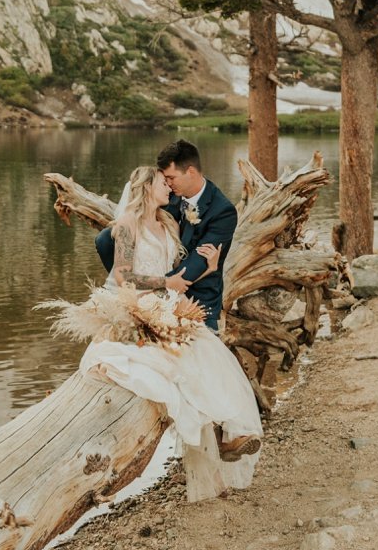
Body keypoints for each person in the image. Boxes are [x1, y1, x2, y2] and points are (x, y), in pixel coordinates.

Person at [80, 163, 261, 501]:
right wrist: (165, 284)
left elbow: (178, 269)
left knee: (210, 352)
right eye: (163, 182)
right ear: (147, 188)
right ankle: (222, 432)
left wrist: (207, 266)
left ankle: (228, 433)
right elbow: (123, 278)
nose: (170, 187)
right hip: (139, 305)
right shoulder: (126, 227)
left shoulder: (168, 223)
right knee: (182, 361)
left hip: (166, 305)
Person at [96, 139, 238, 333]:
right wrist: (131, 286)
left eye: (171, 178)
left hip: (198, 296)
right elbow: (107, 244)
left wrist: (148, 287)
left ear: (191, 172)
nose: (169, 185)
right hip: (156, 293)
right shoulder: (167, 197)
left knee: (199, 353)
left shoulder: (222, 211)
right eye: (165, 180)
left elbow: (197, 264)